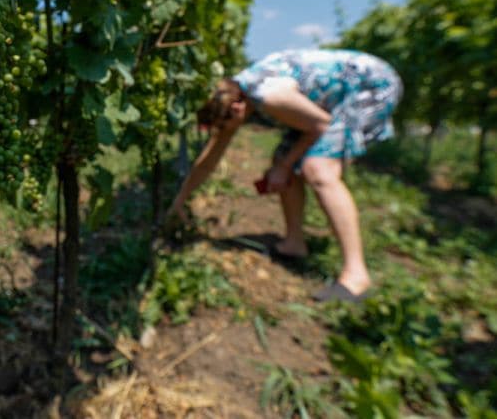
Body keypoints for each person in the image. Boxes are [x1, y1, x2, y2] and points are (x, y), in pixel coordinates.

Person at [166, 48, 403, 302]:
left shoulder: (270, 95)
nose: (226, 132)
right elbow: (208, 161)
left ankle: (356, 276)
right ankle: (294, 244)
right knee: (282, 160)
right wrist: (179, 201)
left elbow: (321, 125)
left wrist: (285, 166)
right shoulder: (237, 95)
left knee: (318, 169)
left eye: (225, 127)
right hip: (332, 101)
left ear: (236, 108)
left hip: (371, 85)